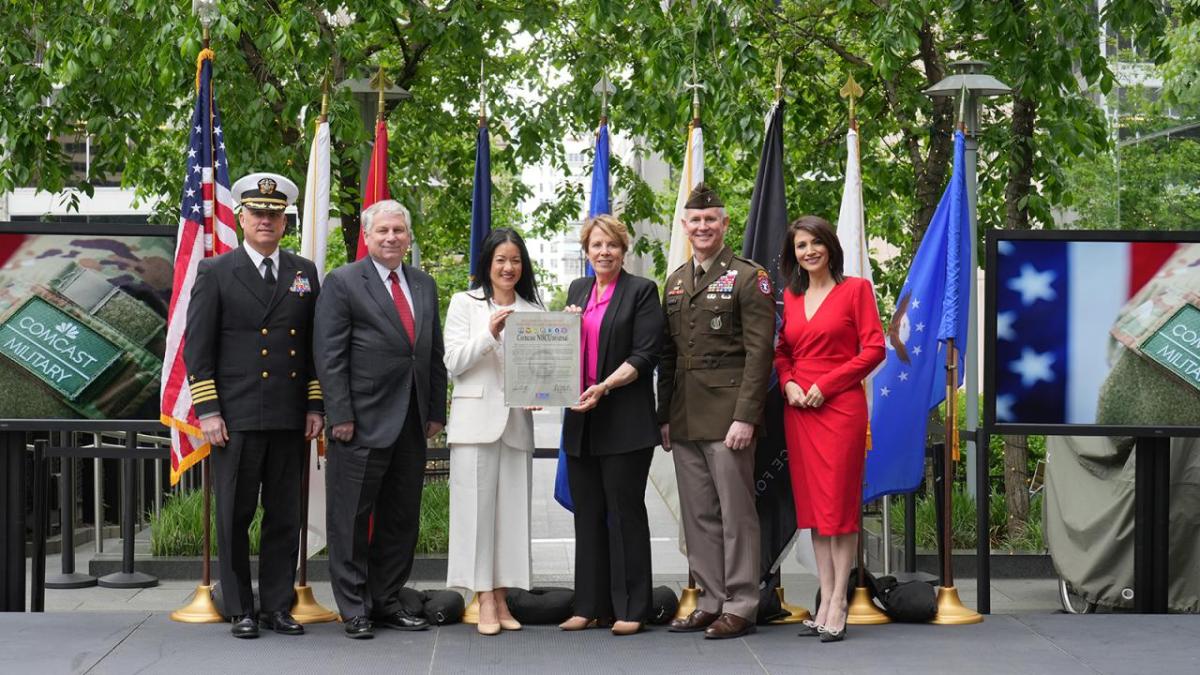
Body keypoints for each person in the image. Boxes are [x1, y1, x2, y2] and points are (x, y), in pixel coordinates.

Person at [183, 172, 324, 639]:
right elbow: (198, 349)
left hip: (288, 415)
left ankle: (278, 606)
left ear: (285, 221)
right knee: (236, 514)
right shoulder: (216, 271)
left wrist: (314, 405)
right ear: (241, 217)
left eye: (275, 214)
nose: (266, 220)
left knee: (285, 515)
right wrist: (208, 411)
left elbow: (313, 347)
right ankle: (242, 607)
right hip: (235, 417)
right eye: (258, 213)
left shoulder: (304, 272)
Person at [314, 199, 447, 639]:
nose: (391, 238)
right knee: (351, 519)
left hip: (412, 423)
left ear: (409, 238)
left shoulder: (424, 285)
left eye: (399, 231)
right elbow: (329, 356)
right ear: (367, 237)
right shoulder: (344, 282)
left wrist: (435, 411)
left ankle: (387, 601)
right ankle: (354, 608)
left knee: (400, 518)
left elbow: (431, 353)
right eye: (382, 231)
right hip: (361, 422)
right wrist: (340, 415)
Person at [657, 184, 776, 639]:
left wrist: (746, 416)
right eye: (695, 220)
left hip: (729, 417)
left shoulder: (749, 277)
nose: (703, 227)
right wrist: (664, 415)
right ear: (685, 227)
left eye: (712, 220)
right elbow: (668, 356)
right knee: (699, 515)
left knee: (736, 513)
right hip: (685, 415)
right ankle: (710, 599)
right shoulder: (675, 282)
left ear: (726, 225)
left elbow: (760, 352)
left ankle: (742, 603)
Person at [773, 216, 885, 643]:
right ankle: (824, 600)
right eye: (801, 246)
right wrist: (790, 384)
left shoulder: (855, 290)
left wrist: (826, 384)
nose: (809, 251)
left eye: (816, 243)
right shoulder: (792, 295)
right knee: (817, 514)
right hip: (800, 410)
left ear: (830, 247)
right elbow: (782, 353)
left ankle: (838, 600)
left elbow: (874, 349)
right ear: (794, 254)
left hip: (839, 408)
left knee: (839, 510)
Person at [557, 215, 663, 637]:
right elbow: (562, 352)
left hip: (625, 421)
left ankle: (633, 606)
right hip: (581, 422)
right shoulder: (577, 291)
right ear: (586, 251)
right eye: (596, 245)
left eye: (612, 245)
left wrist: (603, 386)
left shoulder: (641, 292)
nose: (604, 252)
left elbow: (645, 355)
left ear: (624, 250)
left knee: (625, 514)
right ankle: (589, 605)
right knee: (587, 515)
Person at [443, 228, 543, 636]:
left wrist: (541, 392)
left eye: (515, 260)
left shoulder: (534, 310)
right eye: (501, 260)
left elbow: (542, 371)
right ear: (487, 263)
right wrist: (490, 334)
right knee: (475, 514)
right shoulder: (464, 304)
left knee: (511, 516)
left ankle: (502, 593)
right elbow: (453, 363)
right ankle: (482, 596)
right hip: (474, 425)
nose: (508, 267)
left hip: (517, 423)